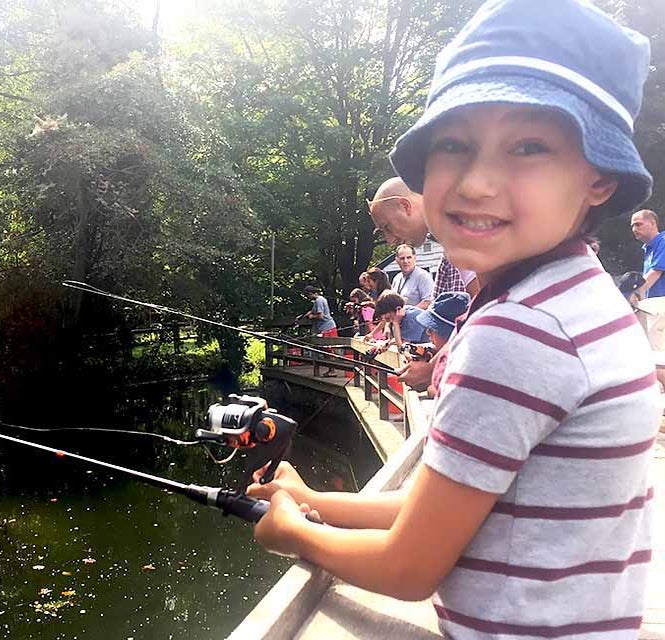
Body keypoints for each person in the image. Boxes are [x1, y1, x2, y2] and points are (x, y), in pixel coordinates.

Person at [248, 2, 659, 638]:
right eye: (453, 144)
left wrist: (292, 532)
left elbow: (409, 567)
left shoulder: (521, 334)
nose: (475, 183)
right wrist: (314, 501)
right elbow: (439, 508)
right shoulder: (577, 295)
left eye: (528, 146)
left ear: (599, 178)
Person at [369, 176, 480, 300]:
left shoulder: (468, 227)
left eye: (388, 227)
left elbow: (487, 302)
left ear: (405, 206)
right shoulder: (448, 256)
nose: (390, 241)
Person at [413, 292, 470, 398]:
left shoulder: (465, 360)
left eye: (432, 328)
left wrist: (429, 382)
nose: (428, 332)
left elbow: (443, 392)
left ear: (449, 333)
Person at [297, 285, 338, 377]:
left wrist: (312, 316)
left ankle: (332, 370)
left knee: (328, 350)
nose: (308, 298)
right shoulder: (320, 300)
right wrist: (303, 316)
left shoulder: (319, 301)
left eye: (307, 295)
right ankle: (331, 370)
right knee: (326, 349)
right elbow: (312, 311)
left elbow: (320, 316)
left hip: (327, 327)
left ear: (310, 293)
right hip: (325, 327)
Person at [630, 209, 665, 305]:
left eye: (638, 224)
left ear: (653, 223)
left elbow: (655, 273)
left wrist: (633, 295)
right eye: (632, 226)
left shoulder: (663, 242)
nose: (634, 229)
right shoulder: (649, 248)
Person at [390, 244, 434, 309]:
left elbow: (428, 302)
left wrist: (408, 313)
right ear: (397, 260)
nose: (405, 261)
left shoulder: (423, 276)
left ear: (414, 258)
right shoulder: (397, 278)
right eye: (402, 258)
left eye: (409, 257)